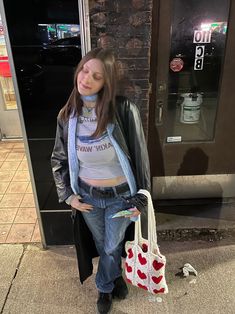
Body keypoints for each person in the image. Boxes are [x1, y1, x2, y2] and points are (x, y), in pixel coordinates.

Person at [51, 48, 150, 314]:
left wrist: (140, 198)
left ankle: (104, 288)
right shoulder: (67, 116)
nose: (86, 79)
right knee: (101, 243)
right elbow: (58, 160)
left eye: (96, 76)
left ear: (106, 82)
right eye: (84, 70)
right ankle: (116, 276)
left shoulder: (123, 110)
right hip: (88, 197)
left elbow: (141, 158)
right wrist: (69, 196)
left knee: (110, 245)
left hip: (120, 197)